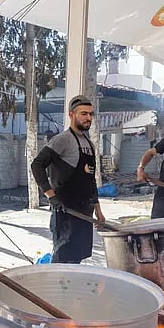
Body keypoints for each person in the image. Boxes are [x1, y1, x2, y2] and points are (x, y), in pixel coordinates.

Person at [31, 95, 105, 263]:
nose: (88, 118)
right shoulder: (62, 140)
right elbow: (37, 165)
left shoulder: (89, 144)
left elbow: (90, 180)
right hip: (65, 212)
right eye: (83, 114)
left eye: (90, 114)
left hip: (85, 212)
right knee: (63, 260)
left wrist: (98, 211)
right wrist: (51, 196)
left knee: (77, 259)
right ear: (71, 115)